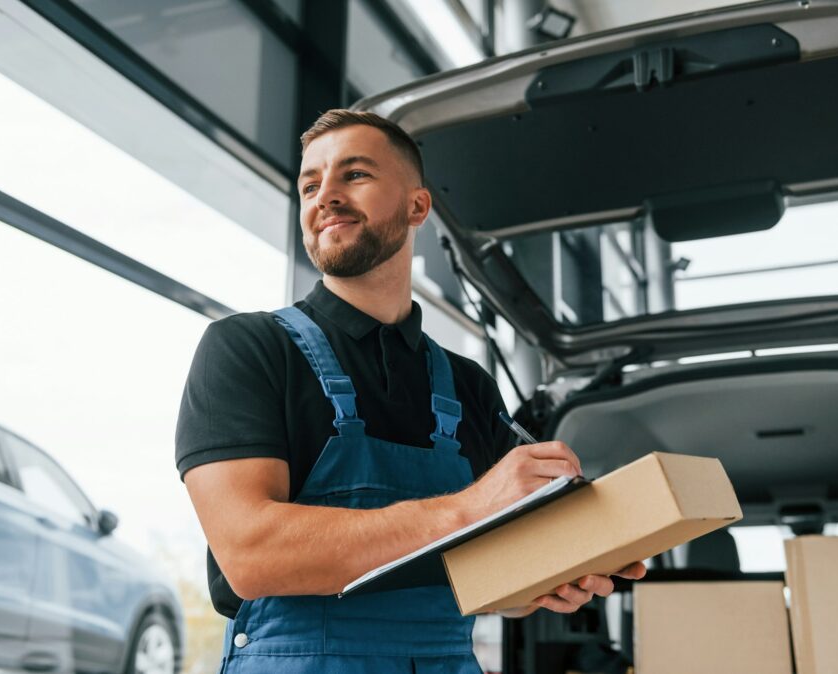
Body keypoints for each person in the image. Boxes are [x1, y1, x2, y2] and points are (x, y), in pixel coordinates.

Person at [176, 109, 646, 673]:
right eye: (309, 184)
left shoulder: (467, 386)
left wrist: (539, 582)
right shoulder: (248, 348)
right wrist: (469, 508)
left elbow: (482, 569)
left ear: (417, 206)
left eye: (354, 175)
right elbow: (252, 553)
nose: (324, 195)